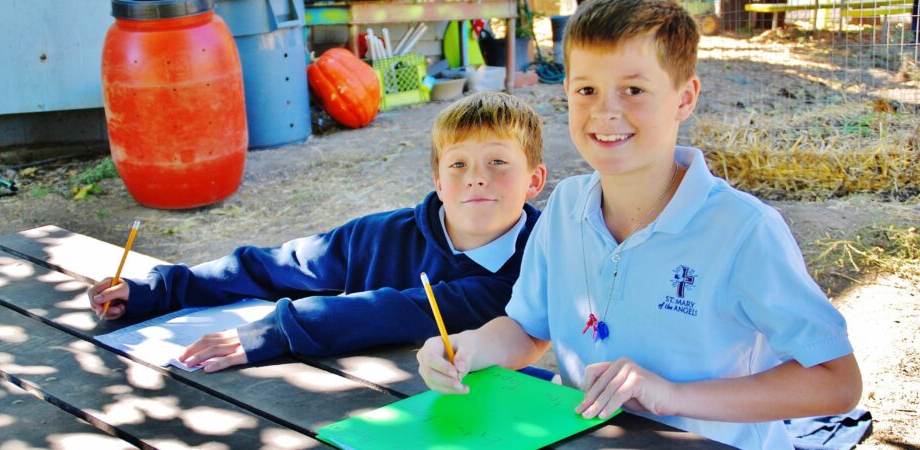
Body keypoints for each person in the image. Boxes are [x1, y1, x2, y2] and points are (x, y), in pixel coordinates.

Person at [415, 1, 862, 448]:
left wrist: (672, 395)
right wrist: (466, 348)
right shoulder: (564, 207)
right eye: (586, 90)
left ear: (684, 98)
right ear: (566, 91)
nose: (606, 112)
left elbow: (837, 382)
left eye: (633, 90)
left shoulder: (745, 230)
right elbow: (527, 330)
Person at [89, 92, 547, 373]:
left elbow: (399, 311)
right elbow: (281, 265)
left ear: (534, 181)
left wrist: (279, 329)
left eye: (499, 162)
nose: (477, 178)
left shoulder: (539, 262)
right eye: (459, 164)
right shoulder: (379, 235)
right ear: (437, 181)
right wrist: (162, 288)